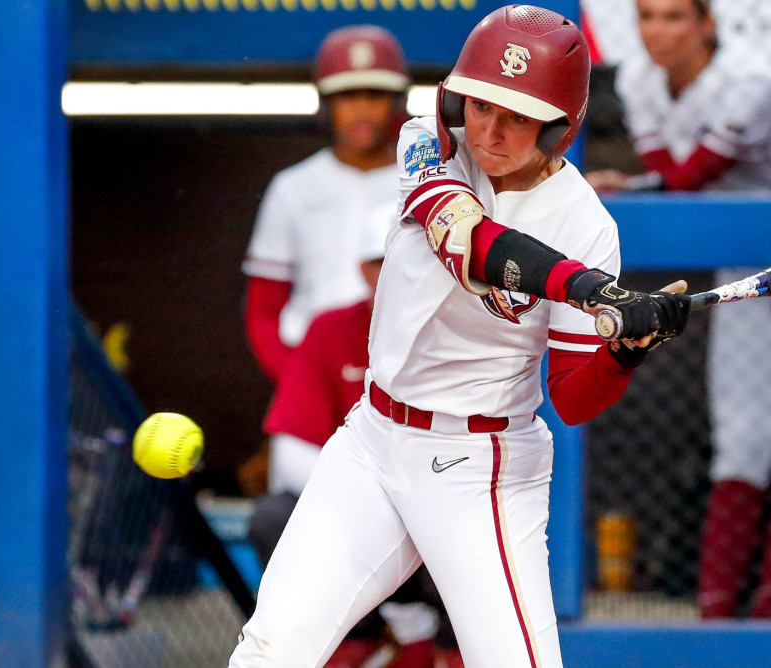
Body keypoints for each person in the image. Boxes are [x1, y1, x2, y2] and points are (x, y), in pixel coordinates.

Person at [229, 6, 690, 667]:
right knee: (272, 647)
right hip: (372, 442)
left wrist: (622, 352)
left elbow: (572, 399)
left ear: (561, 127)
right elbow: (470, 243)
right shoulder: (428, 141)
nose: (492, 132)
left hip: (480, 469)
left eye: (518, 115)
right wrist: (594, 291)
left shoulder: (586, 225)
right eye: (480, 106)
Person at [587, 0, 771, 619]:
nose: (658, 31)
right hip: (737, 265)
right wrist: (642, 186)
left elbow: (693, 175)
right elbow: (670, 175)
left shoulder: (753, 78)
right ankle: (718, 614)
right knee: (740, 439)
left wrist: (630, 187)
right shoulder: (638, 78)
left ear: (707, 24)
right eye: (647, 16)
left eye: (674, 17)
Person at [246, 212, 464, 668]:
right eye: (382, 261)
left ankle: (450, 642)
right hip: (355, 502)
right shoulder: (331, 329)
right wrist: (376, 498)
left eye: (413, 260)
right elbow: (291, 453)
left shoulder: (469, 329)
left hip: (447, 501)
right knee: (273, 517)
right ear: (364, 270)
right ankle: (354, 640)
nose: (398, 272)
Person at [238, 25, 410, 497]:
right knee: (299, 516)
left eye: (374, 94)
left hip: (403, 375)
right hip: (312, 375)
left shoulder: (423, 182)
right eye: (346, 95)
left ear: (396, 101)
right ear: (325, 103)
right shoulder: (292, 187)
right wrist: (302, 378)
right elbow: (263, 311)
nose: (360, 108)